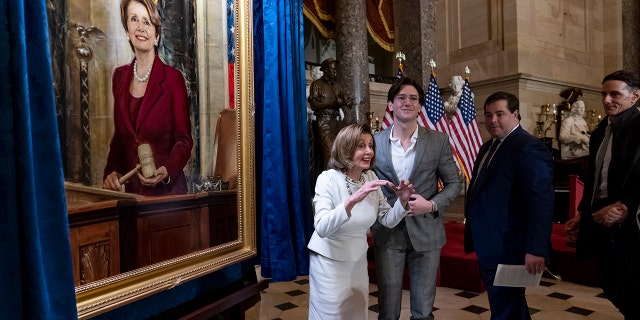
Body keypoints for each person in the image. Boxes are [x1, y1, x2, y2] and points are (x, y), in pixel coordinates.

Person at [372, 77, 462, 320]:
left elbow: (455, 183)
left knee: (423, 312)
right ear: (390, 104)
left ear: (420, 106)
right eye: (401, 98)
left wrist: (431, 204)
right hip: (388, 233)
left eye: (413, 98)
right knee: (388, 311)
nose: (407, 102)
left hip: (426, 232)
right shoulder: (375, 142)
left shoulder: (438, 140)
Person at [307, 124, 413, 320]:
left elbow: (387, 219)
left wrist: (402, 201)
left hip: (357, 259)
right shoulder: (327, 179)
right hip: (328, 261)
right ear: (346, 148)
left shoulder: (370, 177)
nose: (369, 151)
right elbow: (321, 227)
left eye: (371, 145)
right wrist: (354, 199)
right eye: (361, 146)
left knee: (356, 313)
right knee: (332, 315)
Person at [464, 91, 554, 320]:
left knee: (505, 309)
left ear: (515, 114)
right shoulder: (487, 148)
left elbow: (540, 201)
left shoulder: (528, 146)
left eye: (500, 114)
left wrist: (536, 248)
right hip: (490, 244)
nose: (493, 120)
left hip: (511, 247)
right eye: (488, 115)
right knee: (509, 305)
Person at [102, 0, 193, 196]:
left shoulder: (172, 79)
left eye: (147, 22)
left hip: (168, 199)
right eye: (134, 19)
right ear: (127, 29)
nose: (140, 27)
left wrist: (166, 171)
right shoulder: (119, 77)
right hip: (132, 197)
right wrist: (112, 173)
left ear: (157, 35)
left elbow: (184, 141)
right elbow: (120, 139)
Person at [575, 70, 640, 319]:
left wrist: (625, 206)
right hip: (599, 215)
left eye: (615, 94)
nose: (607, 100)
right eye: (603, 94)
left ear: (634, 97)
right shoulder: (601, 130)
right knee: (610, 282)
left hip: (629, 218)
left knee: (631, 283)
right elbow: (593, 177)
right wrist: (582, 213)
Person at [308, 58, 353, 169]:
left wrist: (348, 102)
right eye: (332, 70)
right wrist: (331, 103)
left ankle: (340, 181)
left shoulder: (337, 86)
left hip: (336, 122)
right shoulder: (316, 84)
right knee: (330, 151)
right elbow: (313, 105)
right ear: (325, 70)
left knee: (340, 152)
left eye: (335, 70)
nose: (335, 72)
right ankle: (328, 183)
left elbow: (349, 102)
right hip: (323, 122)